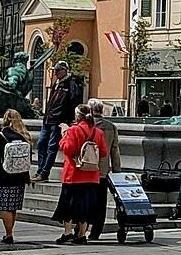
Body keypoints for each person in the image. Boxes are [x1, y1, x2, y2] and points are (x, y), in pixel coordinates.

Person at [50, 103, 108, 243]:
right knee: (85, 206)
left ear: (77, 116)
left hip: (73, 174)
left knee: (67, 204)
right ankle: (82, 234)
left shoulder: (73, 130)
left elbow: (68, 149)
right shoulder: (98, 132)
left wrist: (64, 134)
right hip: (91, 174)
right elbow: (104, 152)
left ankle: (68, 232)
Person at [0, 109, 35, 246]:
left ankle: (8, 234)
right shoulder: (24, 136)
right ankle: (10, 231)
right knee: (13, 207)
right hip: (20, 177)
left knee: (5, 207)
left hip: (4, 176)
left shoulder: (0, 136)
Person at [38, 60, 83, 181]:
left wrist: (71, 119)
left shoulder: (71, 84)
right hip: (48, 119)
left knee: (52, 147)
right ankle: (39, 170)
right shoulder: (56, 83)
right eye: (55, 71)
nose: (55, 73)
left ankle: (44, 173)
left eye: (58, 70)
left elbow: (75, 101)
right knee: (41, 143)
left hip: (58, 120)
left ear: (65, 70)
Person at [90, 103, 122, 240]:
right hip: (103, 170)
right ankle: (96, 231)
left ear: (91, 111)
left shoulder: (88, 126)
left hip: (88, 169)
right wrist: (116, 169)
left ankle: (81, 229)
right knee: (101, 202)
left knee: (87, 200)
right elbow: (115, 150)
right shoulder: (111, 126)